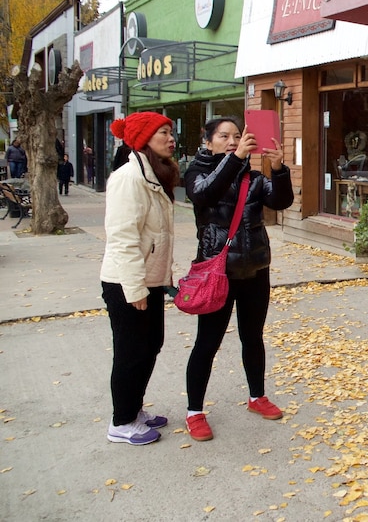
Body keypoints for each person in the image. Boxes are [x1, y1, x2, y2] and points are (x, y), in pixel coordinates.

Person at [182, 116, 294, 442]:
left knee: (253, 336)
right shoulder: (198, 173)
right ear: (208, 142)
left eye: (237, 135)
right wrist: (237, 159)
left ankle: (256, 396)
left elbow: (281, 201)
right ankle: (194, 411)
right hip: (218, 274)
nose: (232, 141)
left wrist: (280, 169)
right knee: (208, 342)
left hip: (254, 270)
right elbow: (205, 194)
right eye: (224, 136)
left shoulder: (253, 178)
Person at [99, 112, 179, 445]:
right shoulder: (128, 177)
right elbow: (122, 238)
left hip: (150, 280)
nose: (171, 138)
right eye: (163, 132)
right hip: (126, 283)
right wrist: (135, 288)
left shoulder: (154, 174)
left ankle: (134, 409)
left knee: (150, 345)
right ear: (144, 138)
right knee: (131, 351)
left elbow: (157, 235)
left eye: (171, 132)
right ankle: (121, 422)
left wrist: (163, 280)